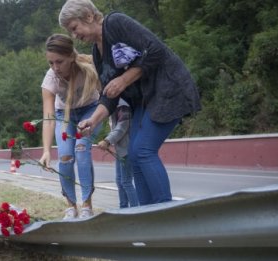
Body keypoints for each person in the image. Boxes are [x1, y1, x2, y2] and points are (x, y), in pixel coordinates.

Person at [59, 0, 201, 205]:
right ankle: (145, 214)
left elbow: (156, 49)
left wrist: (124, 79)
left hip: (167, 88)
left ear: (89, 17)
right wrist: (93, 119)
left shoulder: (115, 23)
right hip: (144, 101)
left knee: (143, 150)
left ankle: (166, 212)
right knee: (132, 156)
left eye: (74, 28)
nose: (75, 35)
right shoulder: (97, 55)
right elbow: (110, 95)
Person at [39, 33, 102, 219]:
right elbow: (49, 117)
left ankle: (87, 206)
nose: (55, 67)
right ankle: (70, 206)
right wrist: (46, 150)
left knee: (81, 148)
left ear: (71, 57)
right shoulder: (51, 79)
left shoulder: (89, 68)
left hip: (90, 110)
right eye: (51, 63)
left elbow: (108, 97)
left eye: (59, 62)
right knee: (65, 157)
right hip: (63, 114)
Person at [97, 98, 138, 208]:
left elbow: (122, 128)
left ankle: (136, 209)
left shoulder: (123, 106)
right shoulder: (116, 107)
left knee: (126, 182)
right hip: (121, 150)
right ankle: (123, 208)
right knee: (120, 181)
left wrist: (107, 140)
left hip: (127, 150)